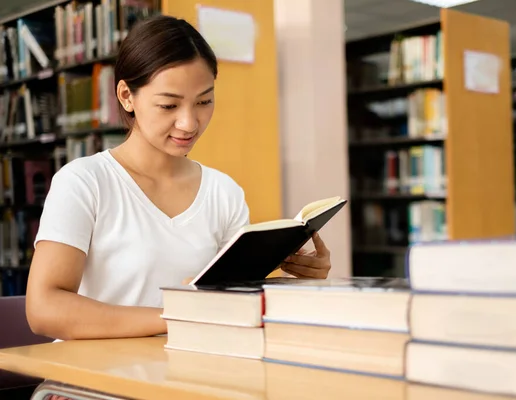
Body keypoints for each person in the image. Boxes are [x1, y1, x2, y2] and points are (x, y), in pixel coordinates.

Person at [25, 15, 332, 342]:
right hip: (95, 380)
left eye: (204, 101)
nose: (189, 123)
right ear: (127, 96)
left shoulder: (223, 192)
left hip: (188, 373)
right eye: (169, 105)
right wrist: (177, 313)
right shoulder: (84, 182)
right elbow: (44, 308)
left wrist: (298, 278)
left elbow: (234, 300)